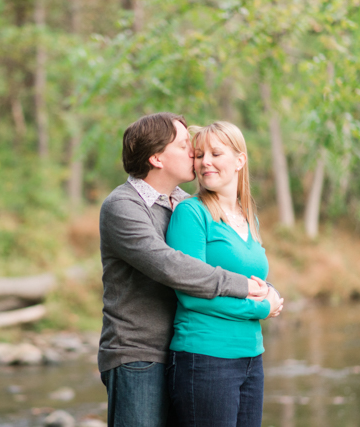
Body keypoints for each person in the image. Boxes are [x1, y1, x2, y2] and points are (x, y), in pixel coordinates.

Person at [98, 113, 283, 427]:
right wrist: (246, 290)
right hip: (138, 352)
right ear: (157, 158)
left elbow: (225, 258)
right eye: (186, 146)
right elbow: (173, 267)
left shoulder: (182, 202)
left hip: (179, 346)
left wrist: (268, 289)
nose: (195, 155)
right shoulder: (123, 206)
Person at [165, 121, 283, 427]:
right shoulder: (190, 213)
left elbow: (252, 278)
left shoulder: (248, 217)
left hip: (251, 357)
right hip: (204, 358)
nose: (206, 162)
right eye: (200, 154)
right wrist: (260, 307)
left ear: (240, 160)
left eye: (216, 153)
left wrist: (272, 293)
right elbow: (190, 295)